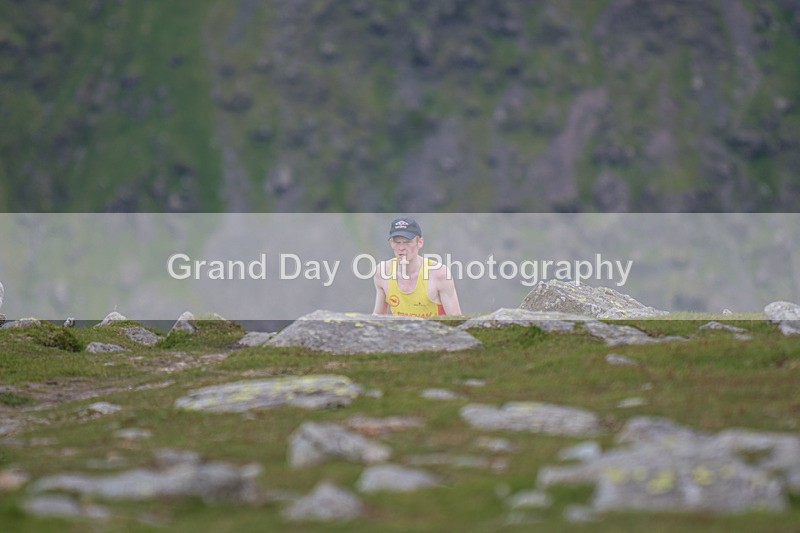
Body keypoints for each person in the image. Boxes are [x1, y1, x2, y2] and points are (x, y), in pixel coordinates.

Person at [373, 217, 462, 317]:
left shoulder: (439, 274)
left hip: (436, 332)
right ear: (391, 243)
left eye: (407, 242)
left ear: (420, 242)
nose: (401, 248)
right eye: (397, 242)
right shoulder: (382, 272)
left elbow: (456, 320)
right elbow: (378, 317)